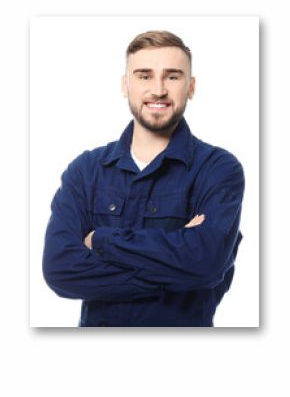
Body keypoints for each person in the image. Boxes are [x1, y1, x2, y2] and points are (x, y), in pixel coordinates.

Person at [42, 30, 245, 327]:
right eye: (144, 76)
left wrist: (101, 239)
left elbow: (206, 263)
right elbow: (60, 270)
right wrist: (177, 269)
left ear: (191, 87)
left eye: (173, 77)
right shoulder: (86, 171)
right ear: (126, 85)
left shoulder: (218, 169)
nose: (158, 90)